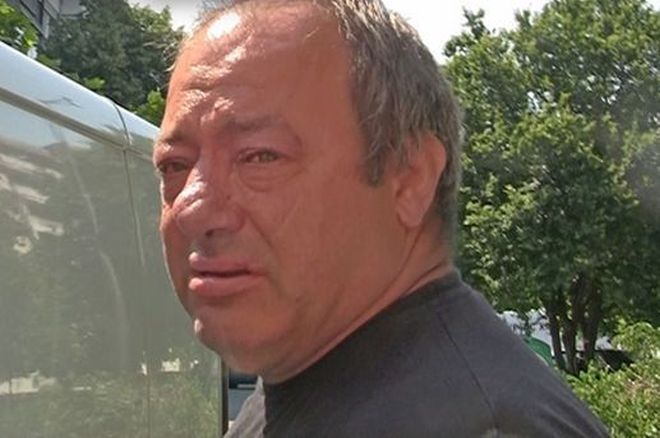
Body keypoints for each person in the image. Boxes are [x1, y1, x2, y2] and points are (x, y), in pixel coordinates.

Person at [153, 0, 608, 436]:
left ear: (409, 178)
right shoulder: (307, 382)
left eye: (259, 156)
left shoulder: (483, 427)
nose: (191, 208)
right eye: (174, 166)